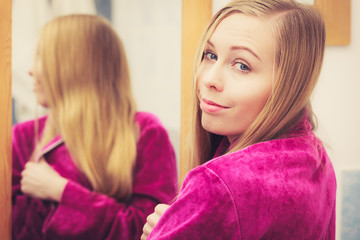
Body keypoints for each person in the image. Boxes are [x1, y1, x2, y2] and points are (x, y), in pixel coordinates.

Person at [141, 0, 336, 239]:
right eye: (210, 55)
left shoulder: (218, 184)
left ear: (288, 86)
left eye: (242, 65)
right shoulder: (316, 158)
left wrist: (160, 233)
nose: (209, 79)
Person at [12, 14, 178, 240]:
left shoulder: (145, 132)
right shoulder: (23, 137)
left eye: (42, 57)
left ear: (74, 65)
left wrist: (61, 191)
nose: (30, 70)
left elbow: (152, 229)